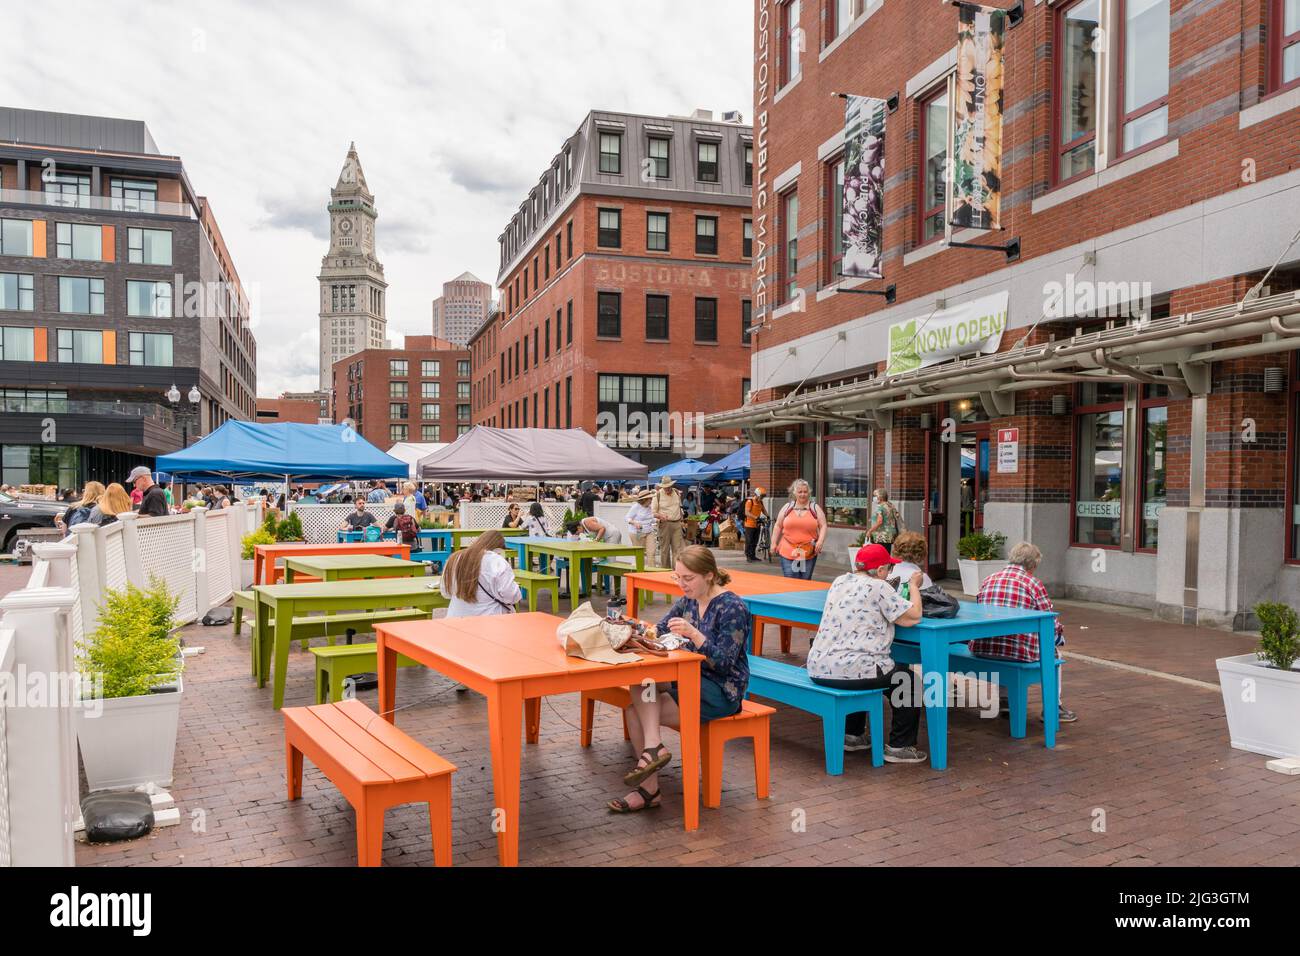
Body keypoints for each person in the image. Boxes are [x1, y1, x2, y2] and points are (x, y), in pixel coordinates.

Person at [609, 546, 751, 813]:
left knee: (636, 711)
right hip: (688, 679)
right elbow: (659, 630)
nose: (682, 584)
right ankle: (653, 761)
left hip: (722, 690)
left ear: (709, 575)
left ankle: (649, 785)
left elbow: (724, 664)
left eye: (688, 578)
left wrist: (696, 635)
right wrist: (633, 628)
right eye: (678, 577)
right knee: (642, 683)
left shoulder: (733, 607)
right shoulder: (688, 601)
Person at [806, 543, 928, 764]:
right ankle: (900, 747)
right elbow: (913, 616)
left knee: (858, 664)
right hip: (854, 671)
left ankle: (853, 736)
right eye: (889, 569)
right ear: (880, 570)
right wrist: (914, 586)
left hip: (819, 667)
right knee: (907, 680)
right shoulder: (879, 587)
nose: (890, 573)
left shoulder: (839, 582)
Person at [968, 541, 1077, 723]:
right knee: (1053, 652)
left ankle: (1005, 700)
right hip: (1016, 653)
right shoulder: (1033, 584)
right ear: (1032, 565)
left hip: (982, 647)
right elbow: (1050, 622)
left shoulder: (990, 579)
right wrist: (1059, 637)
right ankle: (1053, 707)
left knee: (1001, 640)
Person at [771, 478, 827, 580]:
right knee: (790, 580)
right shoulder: (787, 507)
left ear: (809, 492)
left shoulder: (815, 508)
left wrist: (820, 541)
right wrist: (773, 543)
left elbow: (823, 525)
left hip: (808, 551)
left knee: (805, 581)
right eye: (800, 492)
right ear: (794, 493)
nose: (802, 494)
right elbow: (778, 526)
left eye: (805, 492)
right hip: (787, 549)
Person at [651, 475, 686, 570]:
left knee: (678, 550)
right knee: (665, 550)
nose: (667, 488)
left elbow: (679, 507)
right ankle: (665, 571)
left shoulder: (676, 492)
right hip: (664, 524)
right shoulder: (657, 495)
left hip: (677, 523)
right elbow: (653, 513)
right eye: (665, 487)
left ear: (671, 485)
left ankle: (677, 571)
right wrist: (660, 516)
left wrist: (682, 520)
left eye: (669, 486)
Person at [626, 489, 658, 564]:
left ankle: (652, 572)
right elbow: (627, 518)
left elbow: (650, 518)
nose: (651, 500)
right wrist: (634, 523)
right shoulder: (636, 507)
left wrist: (657, 520)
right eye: (650, 498)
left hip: (649, 531)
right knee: (640, 553)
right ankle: (639, 572)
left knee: (651, 552)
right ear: (645, 499)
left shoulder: (649, 507)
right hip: (637, 533)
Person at [743, 487, 768, 562]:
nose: (762, 498)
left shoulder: (760, 502)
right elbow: (747, 512)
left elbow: (763, 510)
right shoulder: (750, 502)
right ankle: (748, 556)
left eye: (763, 496)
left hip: (757, 524)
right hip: (749, 525)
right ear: (757, 495)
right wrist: (756, 517)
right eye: (761, 496)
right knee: (749, 541)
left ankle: (753, 556)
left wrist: (768, 516)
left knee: (755, 541)